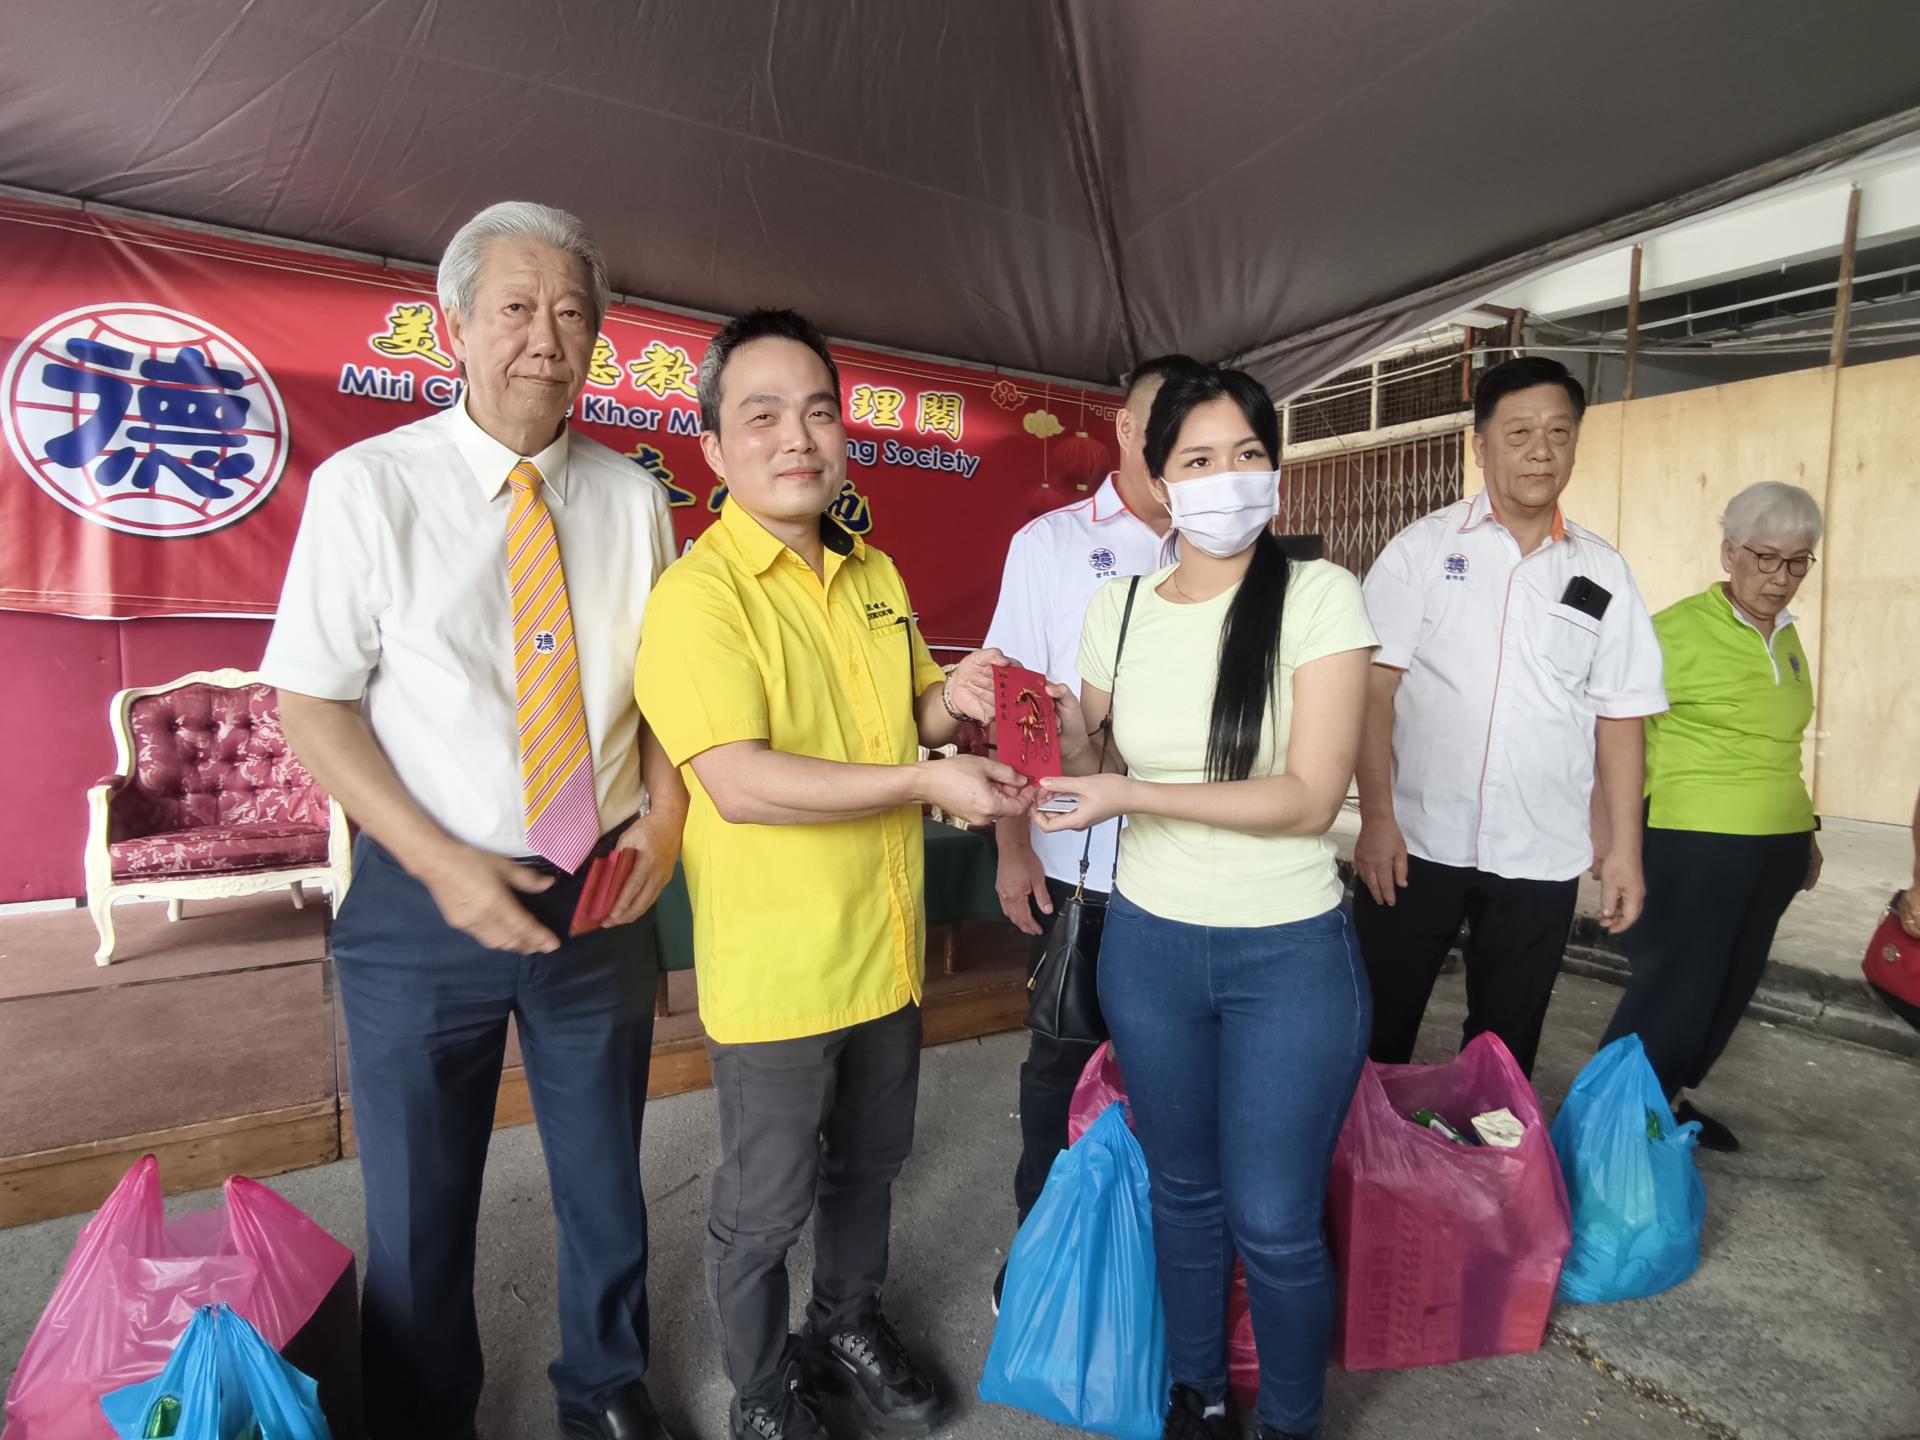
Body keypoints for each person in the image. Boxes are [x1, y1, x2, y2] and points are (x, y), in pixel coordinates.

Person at [261, 202, 683, 1440]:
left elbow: (670, 695)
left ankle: (605, 1387)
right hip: (419, 895)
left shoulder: (633, 499)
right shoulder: (368, 488)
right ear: (453, 327)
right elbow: (313, 706)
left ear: (597, 339)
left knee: (605, 1175)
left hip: (599, 885)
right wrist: (440, 864)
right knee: (419, 1195)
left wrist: (666, 818)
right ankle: (423, 1409)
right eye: (515, 308)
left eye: (571, 314)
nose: (545, 338)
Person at [632, 309, 1031, 1440]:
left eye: (817, 412)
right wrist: (924, 779)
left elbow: (906, 715)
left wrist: (954, 702)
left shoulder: (872, 572)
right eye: (762, 415)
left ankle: (846, 1321)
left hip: (885, 946)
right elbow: (741, 781)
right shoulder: (699, 596)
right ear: (714, 446)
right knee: (764, 1206)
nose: (797, 437)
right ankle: (762, 1393)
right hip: (780, 971)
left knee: (869, 1167)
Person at [1036, 365, 1378, 1440]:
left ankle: (1290, 1421)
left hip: (1290, 958)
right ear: (1158, 478)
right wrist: (1048, 723)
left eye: (1248, 456)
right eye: (1199, 459)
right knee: (1183, 1192)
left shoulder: (1319, 596)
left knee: (1274, 1219)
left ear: (1274, 470)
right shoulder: (1119, 609)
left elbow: (1311, 796)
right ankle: (1199, 1394)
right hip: (1152, 950)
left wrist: (1128, 793)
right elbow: (1090, 757)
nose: (1228, 479)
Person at [1352, 355, 1666, 1077]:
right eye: (1519, 432)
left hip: (1540, 849)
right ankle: (1362, 1148)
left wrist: (1623, 848)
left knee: (1506, 1049)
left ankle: (1485, 1148)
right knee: (1375, 1033)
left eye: (1559, 432)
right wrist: (1376, 819)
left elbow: (1621, 715)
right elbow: (1372, 693)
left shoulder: (1602, 571)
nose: (1541, 451)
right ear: (1480, 445)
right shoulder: (1422, 550)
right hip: (1416, 841)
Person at [981, 351, 1198, 1304]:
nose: (1178, 447)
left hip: (1192, 869)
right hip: (1079, 865)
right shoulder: (1052, 545)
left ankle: (1150, 1258)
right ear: (1124, 427)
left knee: (1178, 1077)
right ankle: (1042, 1248)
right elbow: (1014, 705)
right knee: (1061, 1069)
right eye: (1161, 423)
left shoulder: (1226, 552)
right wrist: (1012, 846)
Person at [1595, 483, 1828, 1146]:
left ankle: (1663, 1102)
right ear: (1729, 553)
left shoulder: (1787, 637)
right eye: (1765, 557)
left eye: (1798, 562)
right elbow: (1608, 730)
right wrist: (1610, 841)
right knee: (1675, 990)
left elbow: (1781, 744)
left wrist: (1805, 833)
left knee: (1728, 989)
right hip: (1694, 843)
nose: (1780, 577)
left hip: (1775, 846)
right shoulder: (1673, 633)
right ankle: (1608, 1127)